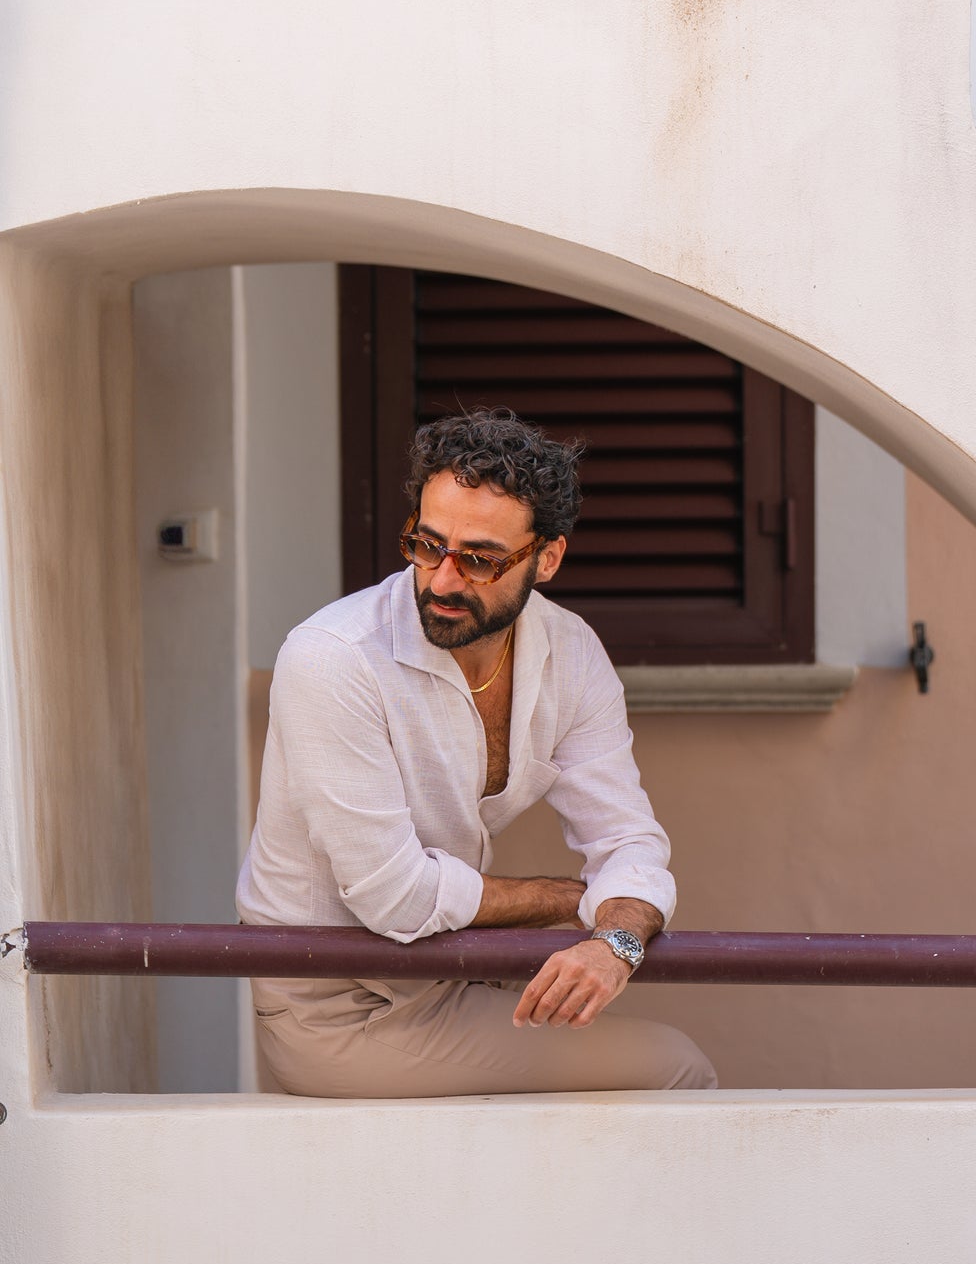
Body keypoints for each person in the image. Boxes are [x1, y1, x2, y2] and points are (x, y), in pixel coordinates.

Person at [236, 408, 716, 1097]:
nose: (440, 580)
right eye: (426, 545)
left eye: (479, 559)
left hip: (450, 975)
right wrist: (571, 900)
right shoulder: (333, 658)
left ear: (546, 557)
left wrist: (615, 943)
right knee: (677, 1068)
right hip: (342, 1009)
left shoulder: (571, 652)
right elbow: (394, 897)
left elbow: (629, 843)